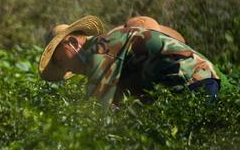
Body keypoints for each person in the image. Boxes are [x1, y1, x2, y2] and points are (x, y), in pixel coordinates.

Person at [38, 15, 220, 107]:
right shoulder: (108, 57)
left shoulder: (102, 49)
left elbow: (95, 111)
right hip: (197, 80)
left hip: (192, 80)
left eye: (56, 56)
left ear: (71, 42)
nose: (58, 62)